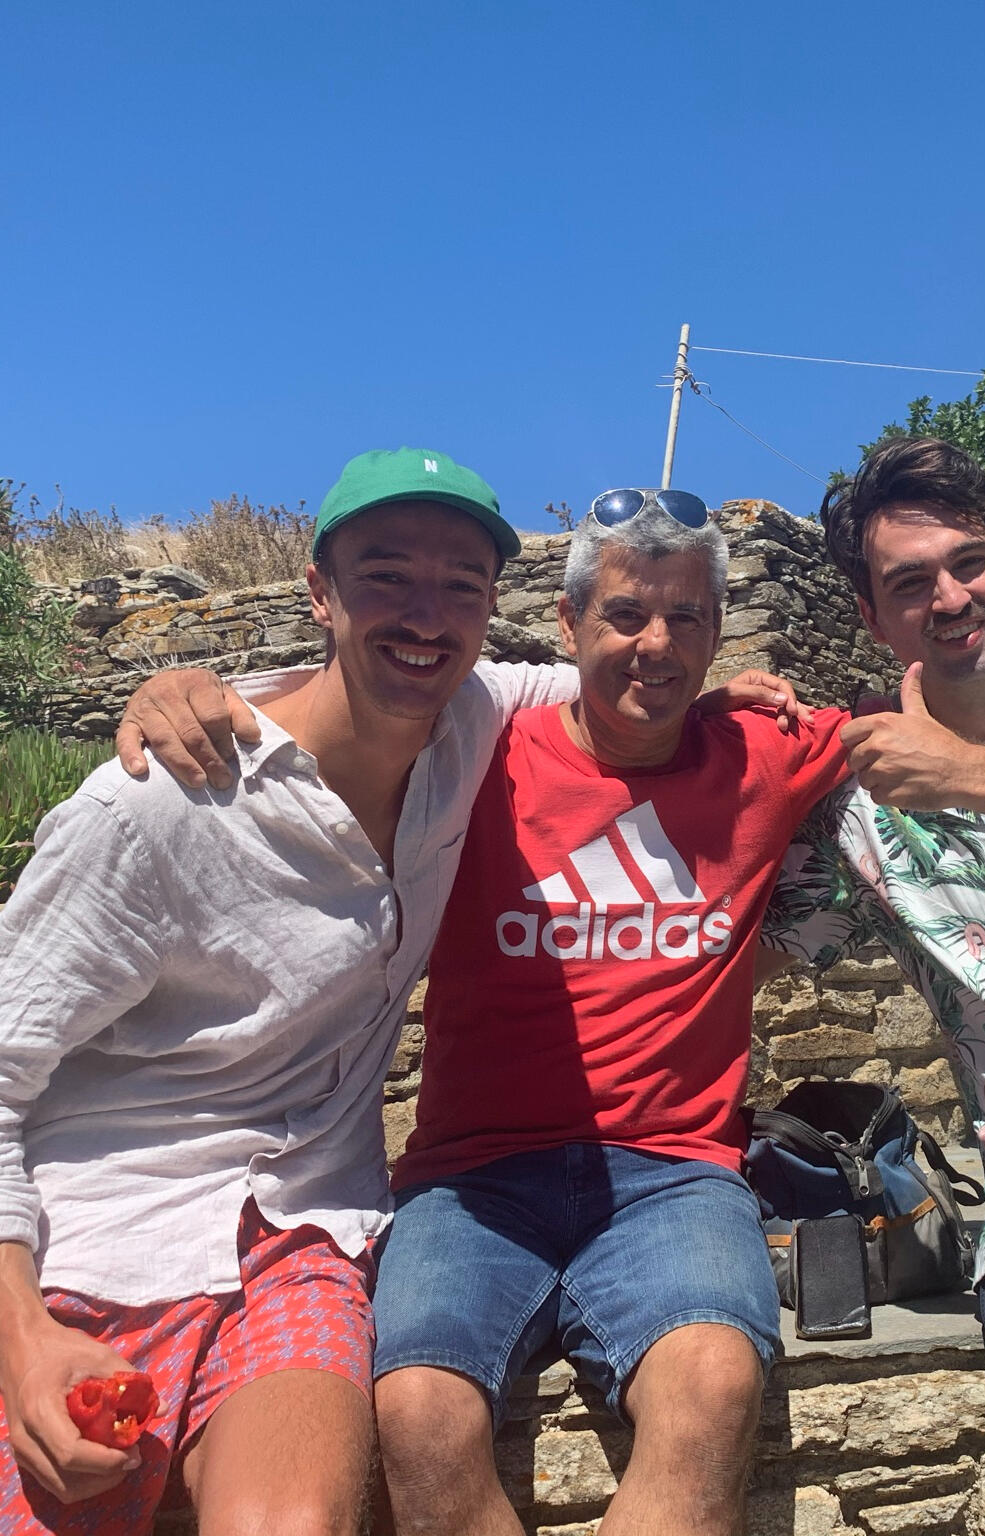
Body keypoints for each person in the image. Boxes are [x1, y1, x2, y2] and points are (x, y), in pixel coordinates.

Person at [123, 489, 851, 1535]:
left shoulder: (763, 749)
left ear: (718, 628)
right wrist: (185, 687)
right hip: (471, 1179)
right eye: (625, 616)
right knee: (418, 1415)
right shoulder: (475, 751)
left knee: (710, 1392)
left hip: (672, 1173)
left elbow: (931, 724)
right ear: (567, 625)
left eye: (686, 617)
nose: (656, 644)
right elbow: (338, 698)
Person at [0, 446, 585, 1536]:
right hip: (90, 1236)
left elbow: (639, 682)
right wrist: (20, 1343)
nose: (426, 616)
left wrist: (769, 708)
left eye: (461, 586)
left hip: (305, 1229)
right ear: (318, 593)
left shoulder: (472, 722)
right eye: (386, 575)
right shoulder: (153, 808)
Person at [761, 436, 985, 1489]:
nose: (951, 597)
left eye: (969, 564)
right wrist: (722, 730)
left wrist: (970, 773)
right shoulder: (853, 811)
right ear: (871, 619)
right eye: (911, 583)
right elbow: (737, 937)